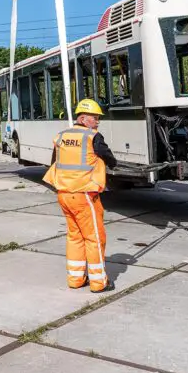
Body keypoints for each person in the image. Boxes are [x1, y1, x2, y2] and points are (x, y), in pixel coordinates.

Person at [43, 98, 118, 292]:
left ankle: (75, 279)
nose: (97, 121)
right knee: (94, 238)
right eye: (95, 118)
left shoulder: (61, 136)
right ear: (83, 118)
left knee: (75, 236)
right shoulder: (93, 137)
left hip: (64, 194)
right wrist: (113, 163)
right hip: (84, 193)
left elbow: (55, 162)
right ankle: (98, 282)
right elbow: (108, 156)